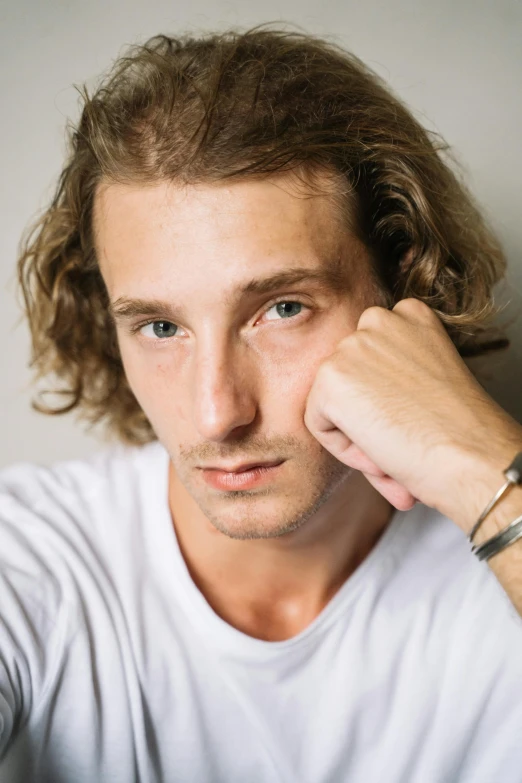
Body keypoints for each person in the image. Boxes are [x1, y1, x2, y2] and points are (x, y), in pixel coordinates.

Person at [2, 23, 522, 782]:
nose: (217, 413)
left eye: (281, 309)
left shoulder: (497, 578)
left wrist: (488, 479)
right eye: (159, 325)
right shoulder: (33, 559)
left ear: (400, 282)